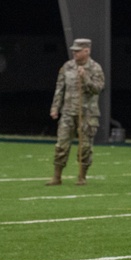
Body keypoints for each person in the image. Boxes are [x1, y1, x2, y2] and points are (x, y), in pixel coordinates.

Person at [46, 38, 105, 186]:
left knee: (85, 147)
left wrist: (85, 77)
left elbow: (98, 88)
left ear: (87, 51)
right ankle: (57, 176)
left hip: (87, 113)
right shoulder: (67, 67)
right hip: (68, 112)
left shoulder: (95, 68)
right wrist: (55, 107)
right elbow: (59, 89)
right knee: (61, 145)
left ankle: (82, 176)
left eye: (78, 51)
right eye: (74, 51)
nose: (75, 53)